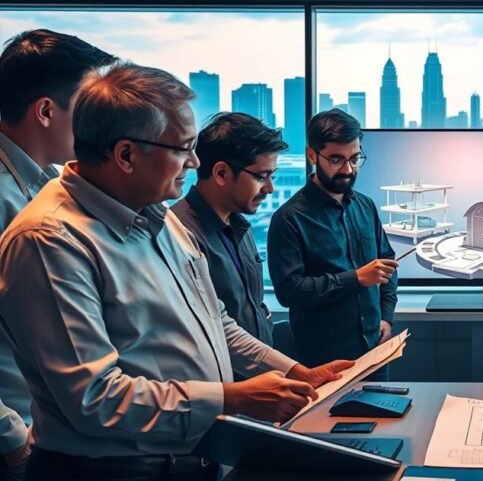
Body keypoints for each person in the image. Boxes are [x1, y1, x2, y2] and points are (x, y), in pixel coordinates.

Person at [0, 63, 353, 481]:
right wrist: (230, 399)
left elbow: (214, 320)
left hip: (194, 460)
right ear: (126, 154)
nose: (196, 161)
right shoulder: (51, 240)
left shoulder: (158, 216)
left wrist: (296, 372)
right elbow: (95, 400)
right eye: (183, 148)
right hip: (112, 473)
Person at [0, 29, 116, 480]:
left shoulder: (49, 184)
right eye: (88, 109)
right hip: (17, 439)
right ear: (46, 110)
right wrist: (11, 440)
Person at [268, 108, 398, 373]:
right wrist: (357, 278)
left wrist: (386, 316)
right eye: (336, 160)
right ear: (312, 155)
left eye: (355, 158)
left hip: (375, 350)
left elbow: (388, 262)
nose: (348, 169)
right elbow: (289, 291)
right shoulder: (289, 219)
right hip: (323, 363)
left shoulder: (366, 206)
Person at [171, 112, 287, 349]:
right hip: (222, 383)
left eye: (272, 176)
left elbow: (252, 306)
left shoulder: (239, 226)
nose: (270, 188)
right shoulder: (178, 233)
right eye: (261, 176)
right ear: (221, 173)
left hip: (261, 378)